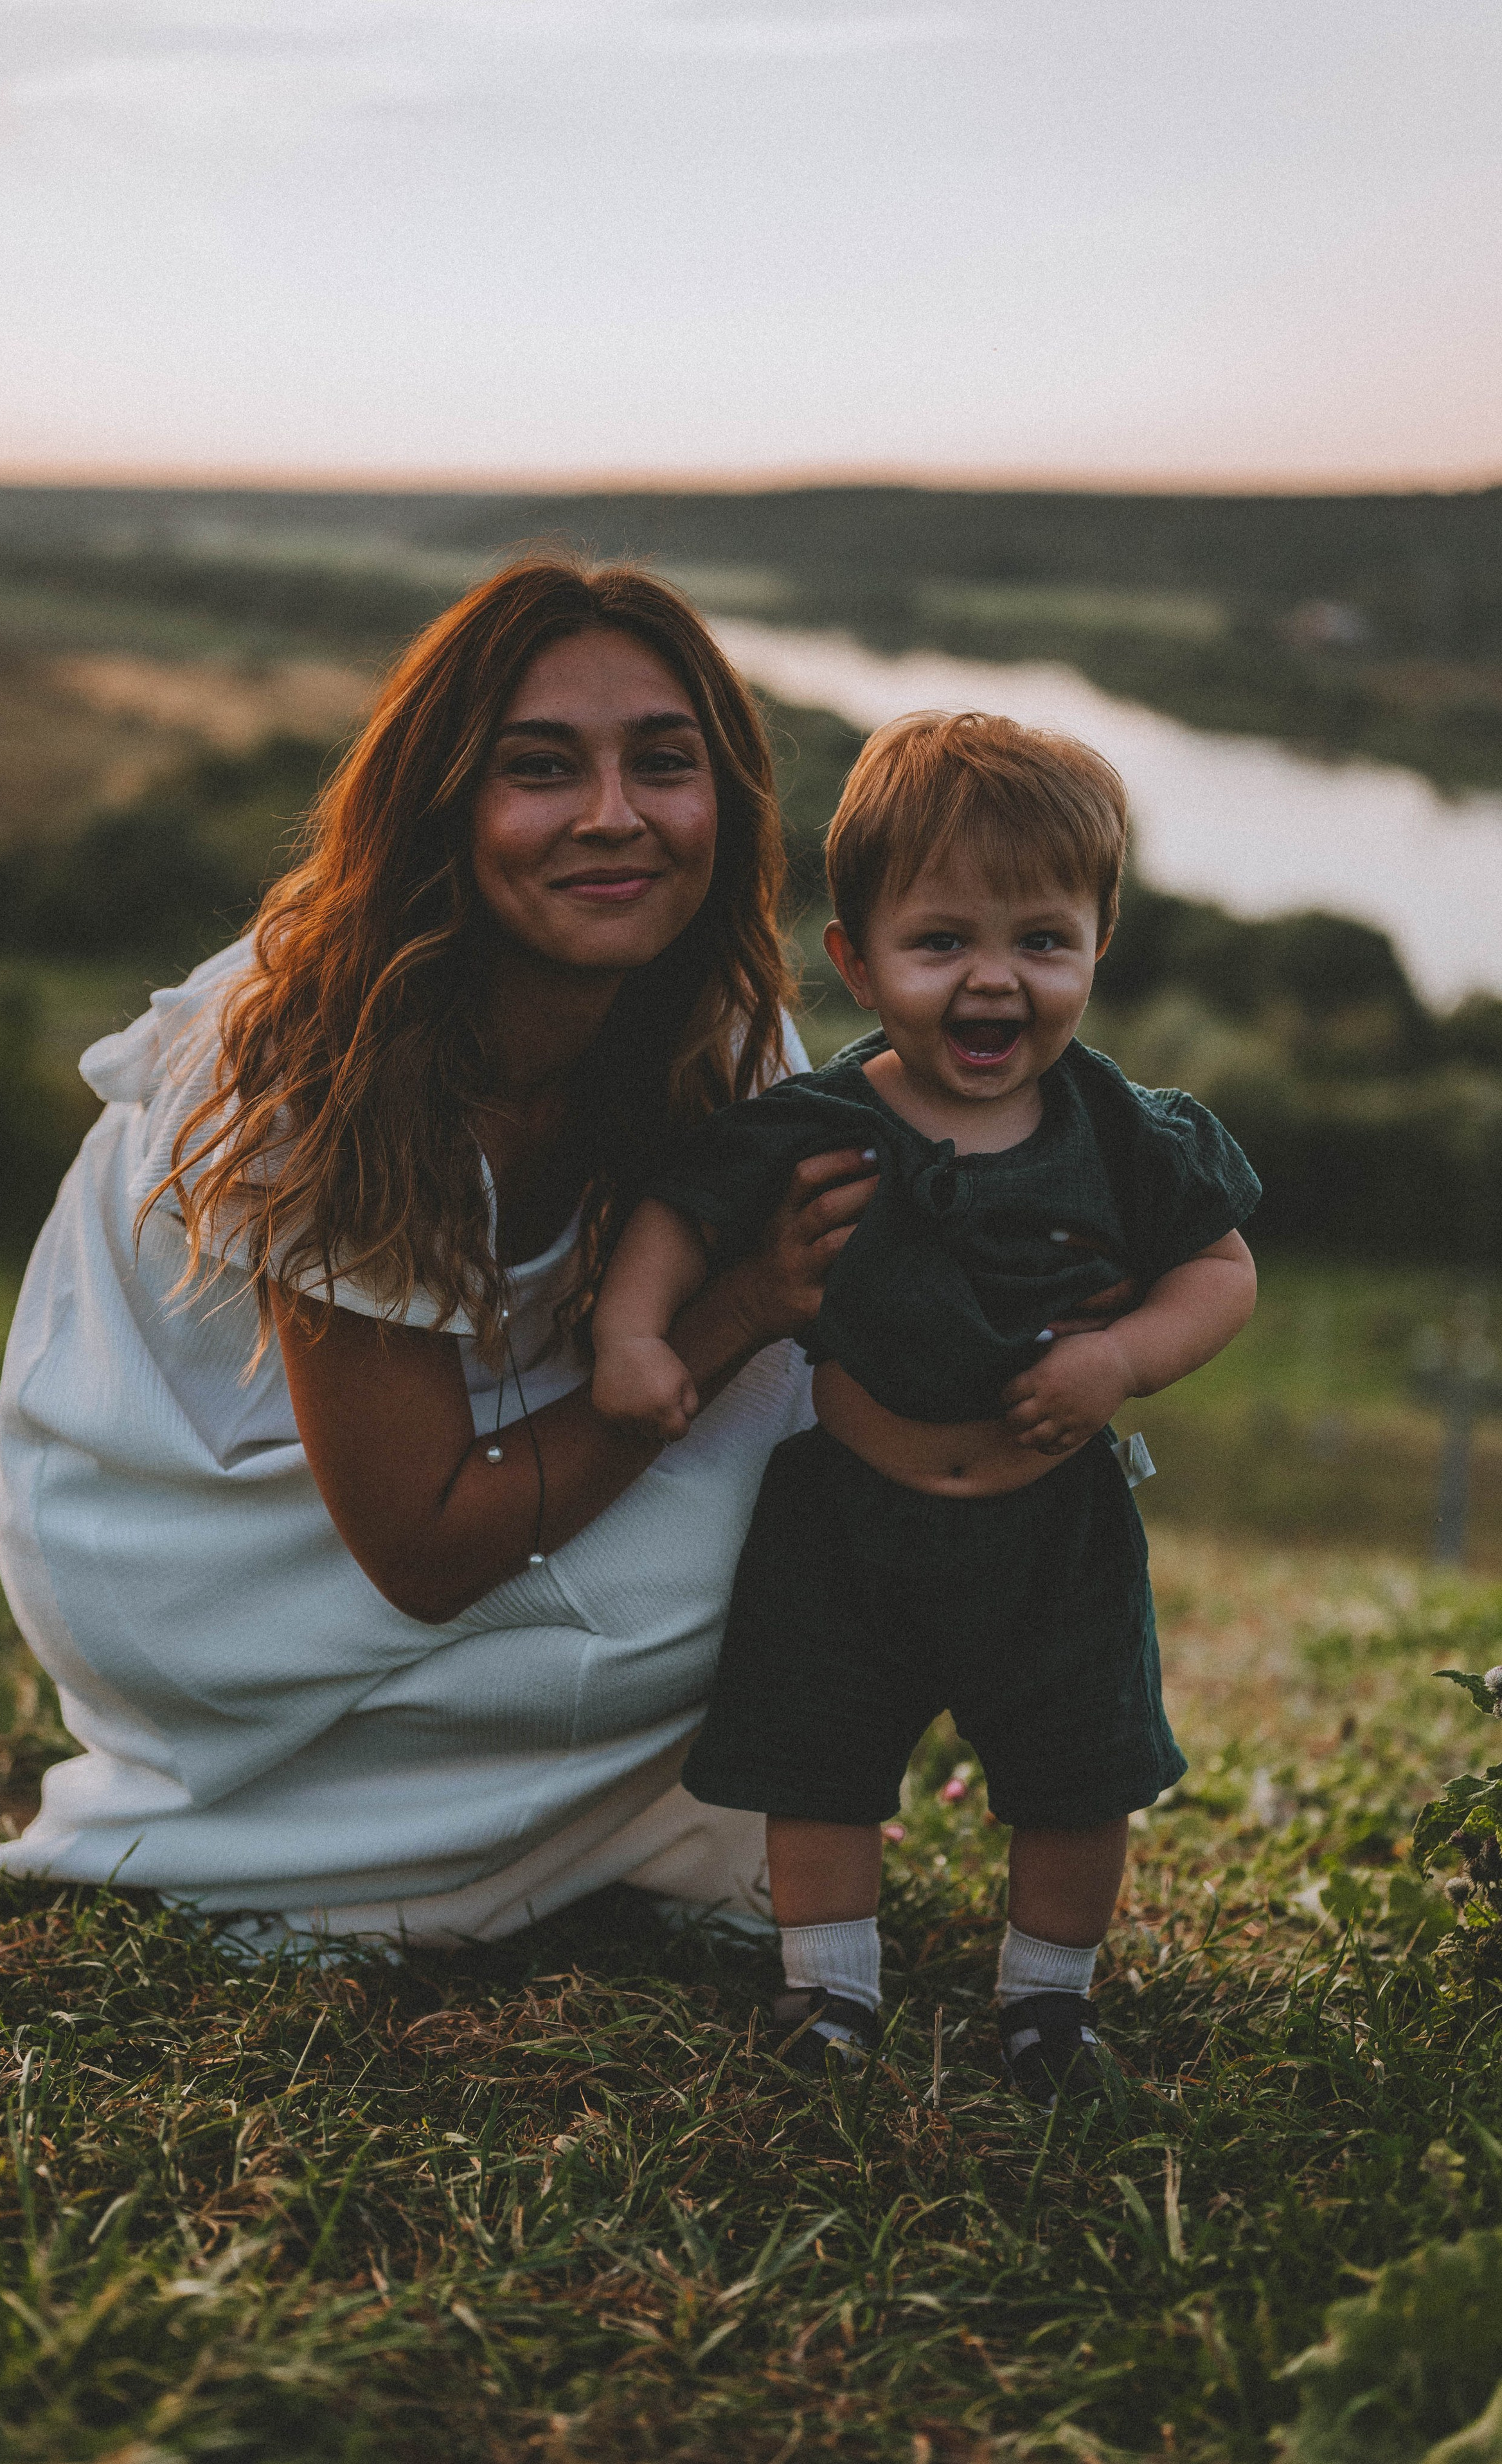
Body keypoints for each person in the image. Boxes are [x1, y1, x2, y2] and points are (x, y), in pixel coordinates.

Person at [0, 559, 878, 1949]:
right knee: (757, 1540)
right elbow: (427, 1549)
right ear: (443, 806)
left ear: (729, 797)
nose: (613, 815)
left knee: (849, 1475)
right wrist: (730, 1312)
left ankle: (620, 1818)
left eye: (663, 762)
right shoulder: (312, 1052)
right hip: (199, 1538)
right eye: (540, 767)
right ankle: (313, 1845)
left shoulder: (709, 1016)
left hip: (466, 1453)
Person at [592, 710, 1260, 2100]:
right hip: (846, 1520)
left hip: (1051, 1530)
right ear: (853, 957)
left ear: (1095, 945)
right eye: (941, 940)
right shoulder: (818, 1122)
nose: (992, 981)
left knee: (1077, 1781)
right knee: (819, 1770)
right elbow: (678, 1206)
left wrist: (1123, 1357)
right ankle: (827, 1992)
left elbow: (1220, 1268)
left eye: (1039, 940)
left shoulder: (1126, 1131)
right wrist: (631, 1329)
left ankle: (1048, 2007)